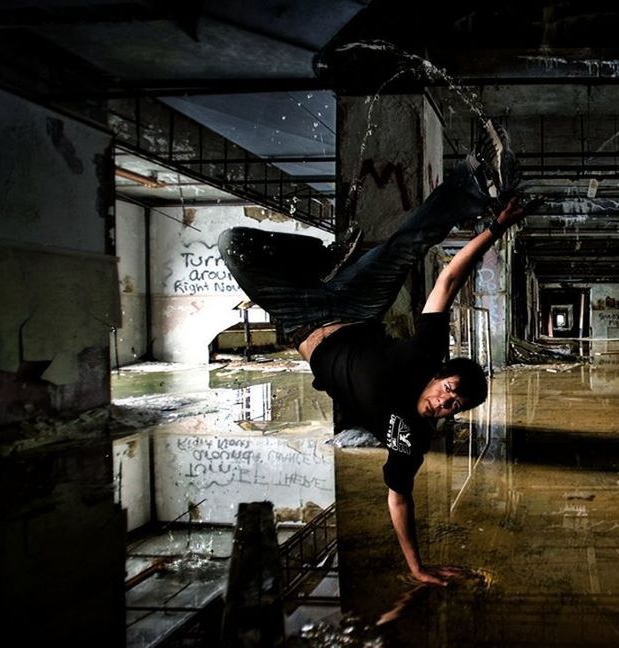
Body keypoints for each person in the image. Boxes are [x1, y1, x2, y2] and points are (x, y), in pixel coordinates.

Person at [218, 121, 522, 586]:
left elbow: (399, 498)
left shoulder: (409, 437)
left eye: (455, 405)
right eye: (450, 391)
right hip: (355, 304)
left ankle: (321, 260)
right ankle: (477, 182)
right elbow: (447, 280)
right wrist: (494, 230)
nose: (446, 402)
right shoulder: (426, 352)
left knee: (233, 245)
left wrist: (416, 567)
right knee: (404, 248)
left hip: (300, 318)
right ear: (442, 375)